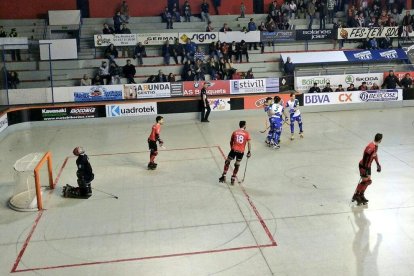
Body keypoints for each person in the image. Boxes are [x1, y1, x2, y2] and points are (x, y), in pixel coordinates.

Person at [352, 133, 383, 205]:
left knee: (368, 181)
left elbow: (374, 155)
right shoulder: (371, 147)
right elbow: (365, 156)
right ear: (380, 140)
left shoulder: (376, 146)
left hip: (368, 166)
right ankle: (356, 195)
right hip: (363, 166)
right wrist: (364, 168)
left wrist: (378, 164)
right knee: (364, 181)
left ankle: (361, 195)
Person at [218, 121, 252, 185]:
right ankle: (233, 178)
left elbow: (231, 141)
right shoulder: (246, 133)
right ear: (244, 126)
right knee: (237, 164)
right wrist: (249, 152)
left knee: (227, 161)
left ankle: (224, 175)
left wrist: (232, 148)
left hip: (234, 150)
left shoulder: (235, 132)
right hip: (241, 151)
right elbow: (249, 143)